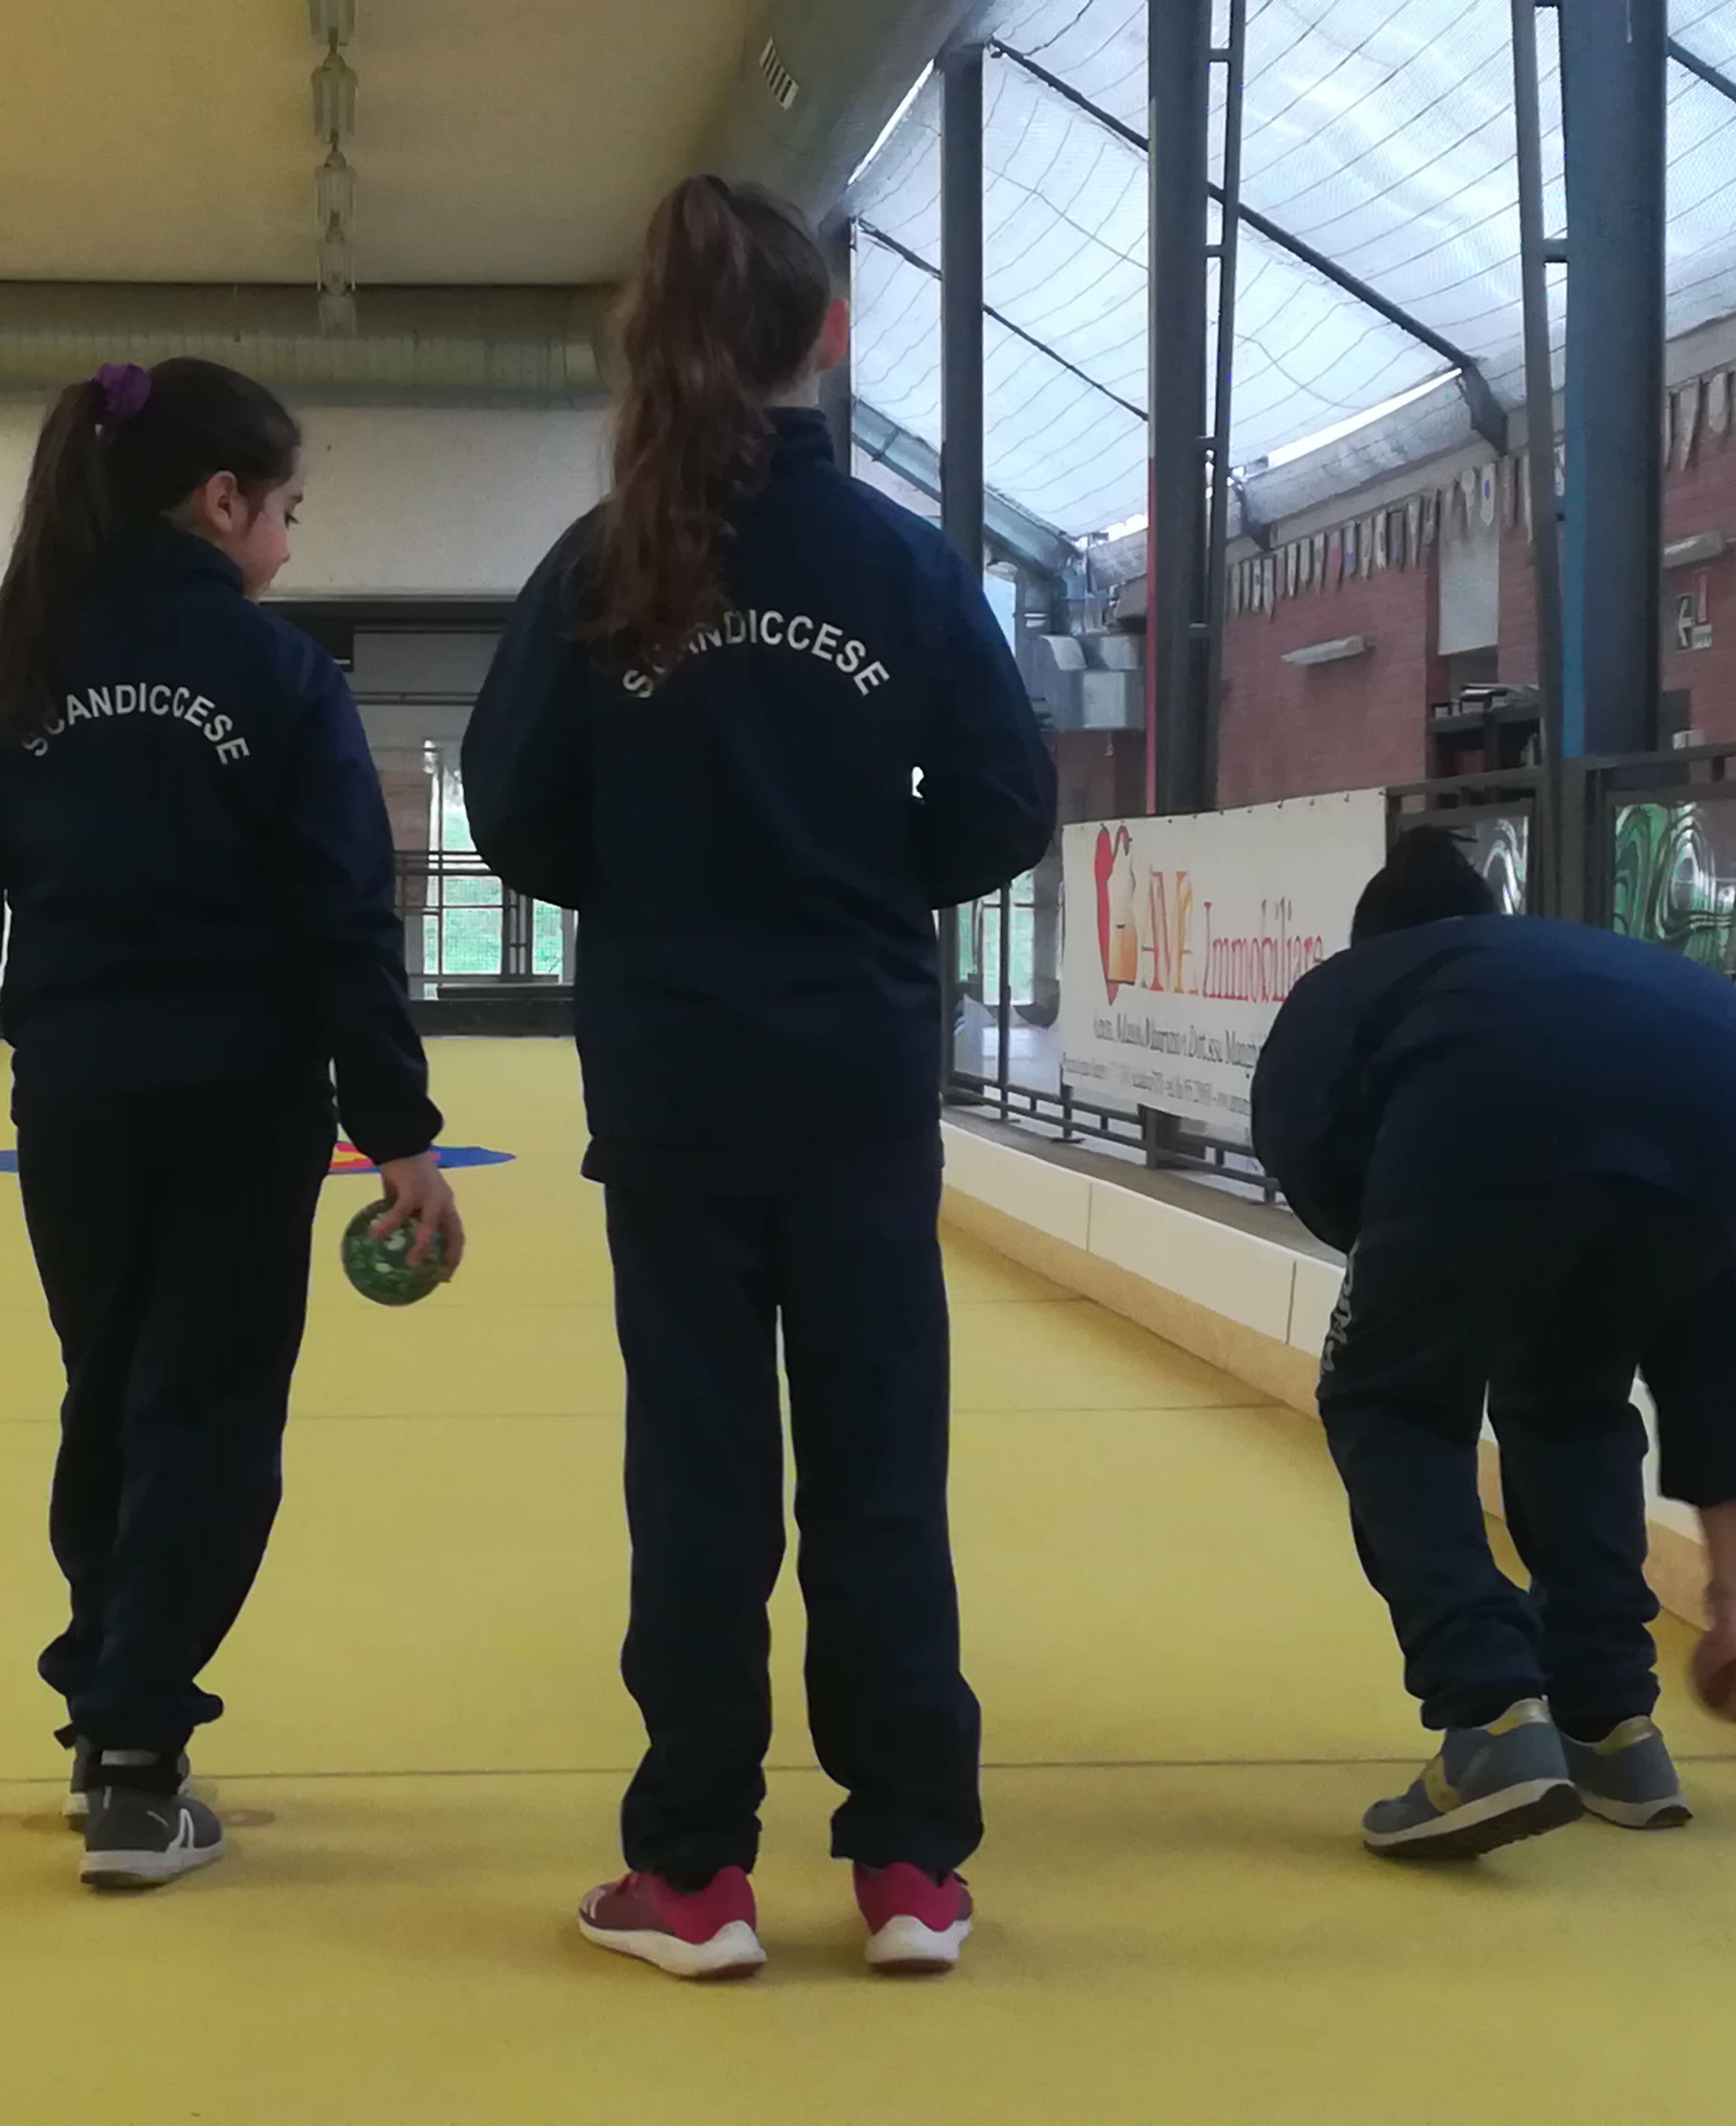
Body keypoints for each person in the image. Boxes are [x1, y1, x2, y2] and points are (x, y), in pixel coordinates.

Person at [462, 175, 1056, 1980]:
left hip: (672, 1074)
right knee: (880, 1466)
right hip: (857, 1068)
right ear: (831, 337)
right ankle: (911, 1869)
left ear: (652, 345)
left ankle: (694, 1874)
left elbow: (511, 812)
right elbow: (1005, 805)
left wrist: (663, 887)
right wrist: (856, 882)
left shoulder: (602, 563)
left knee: (698, 1473)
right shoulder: (898, 563)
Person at [0, 356, 466, 1894]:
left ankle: (107, 1714)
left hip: (74, 1102)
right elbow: (347, 920)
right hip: (241, 1101)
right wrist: (398, 1128)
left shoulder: (12, 669)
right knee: (205, 1414)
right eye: (287, 510)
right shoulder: (279, 678)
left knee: (110, 1396)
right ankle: (137, 1756)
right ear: (220, 502)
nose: (288, 540)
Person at [1251, 826, 1736, 1862]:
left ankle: (1492, 1716)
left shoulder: (1348, 990)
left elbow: (1346, 1215)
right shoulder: (1562, 969)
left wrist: (1427, 1319)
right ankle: (1610, 1727)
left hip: (1492, 1095)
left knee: (1386, 1399)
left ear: (1367, 941)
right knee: (1569, 1390)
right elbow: (1708, 1338)